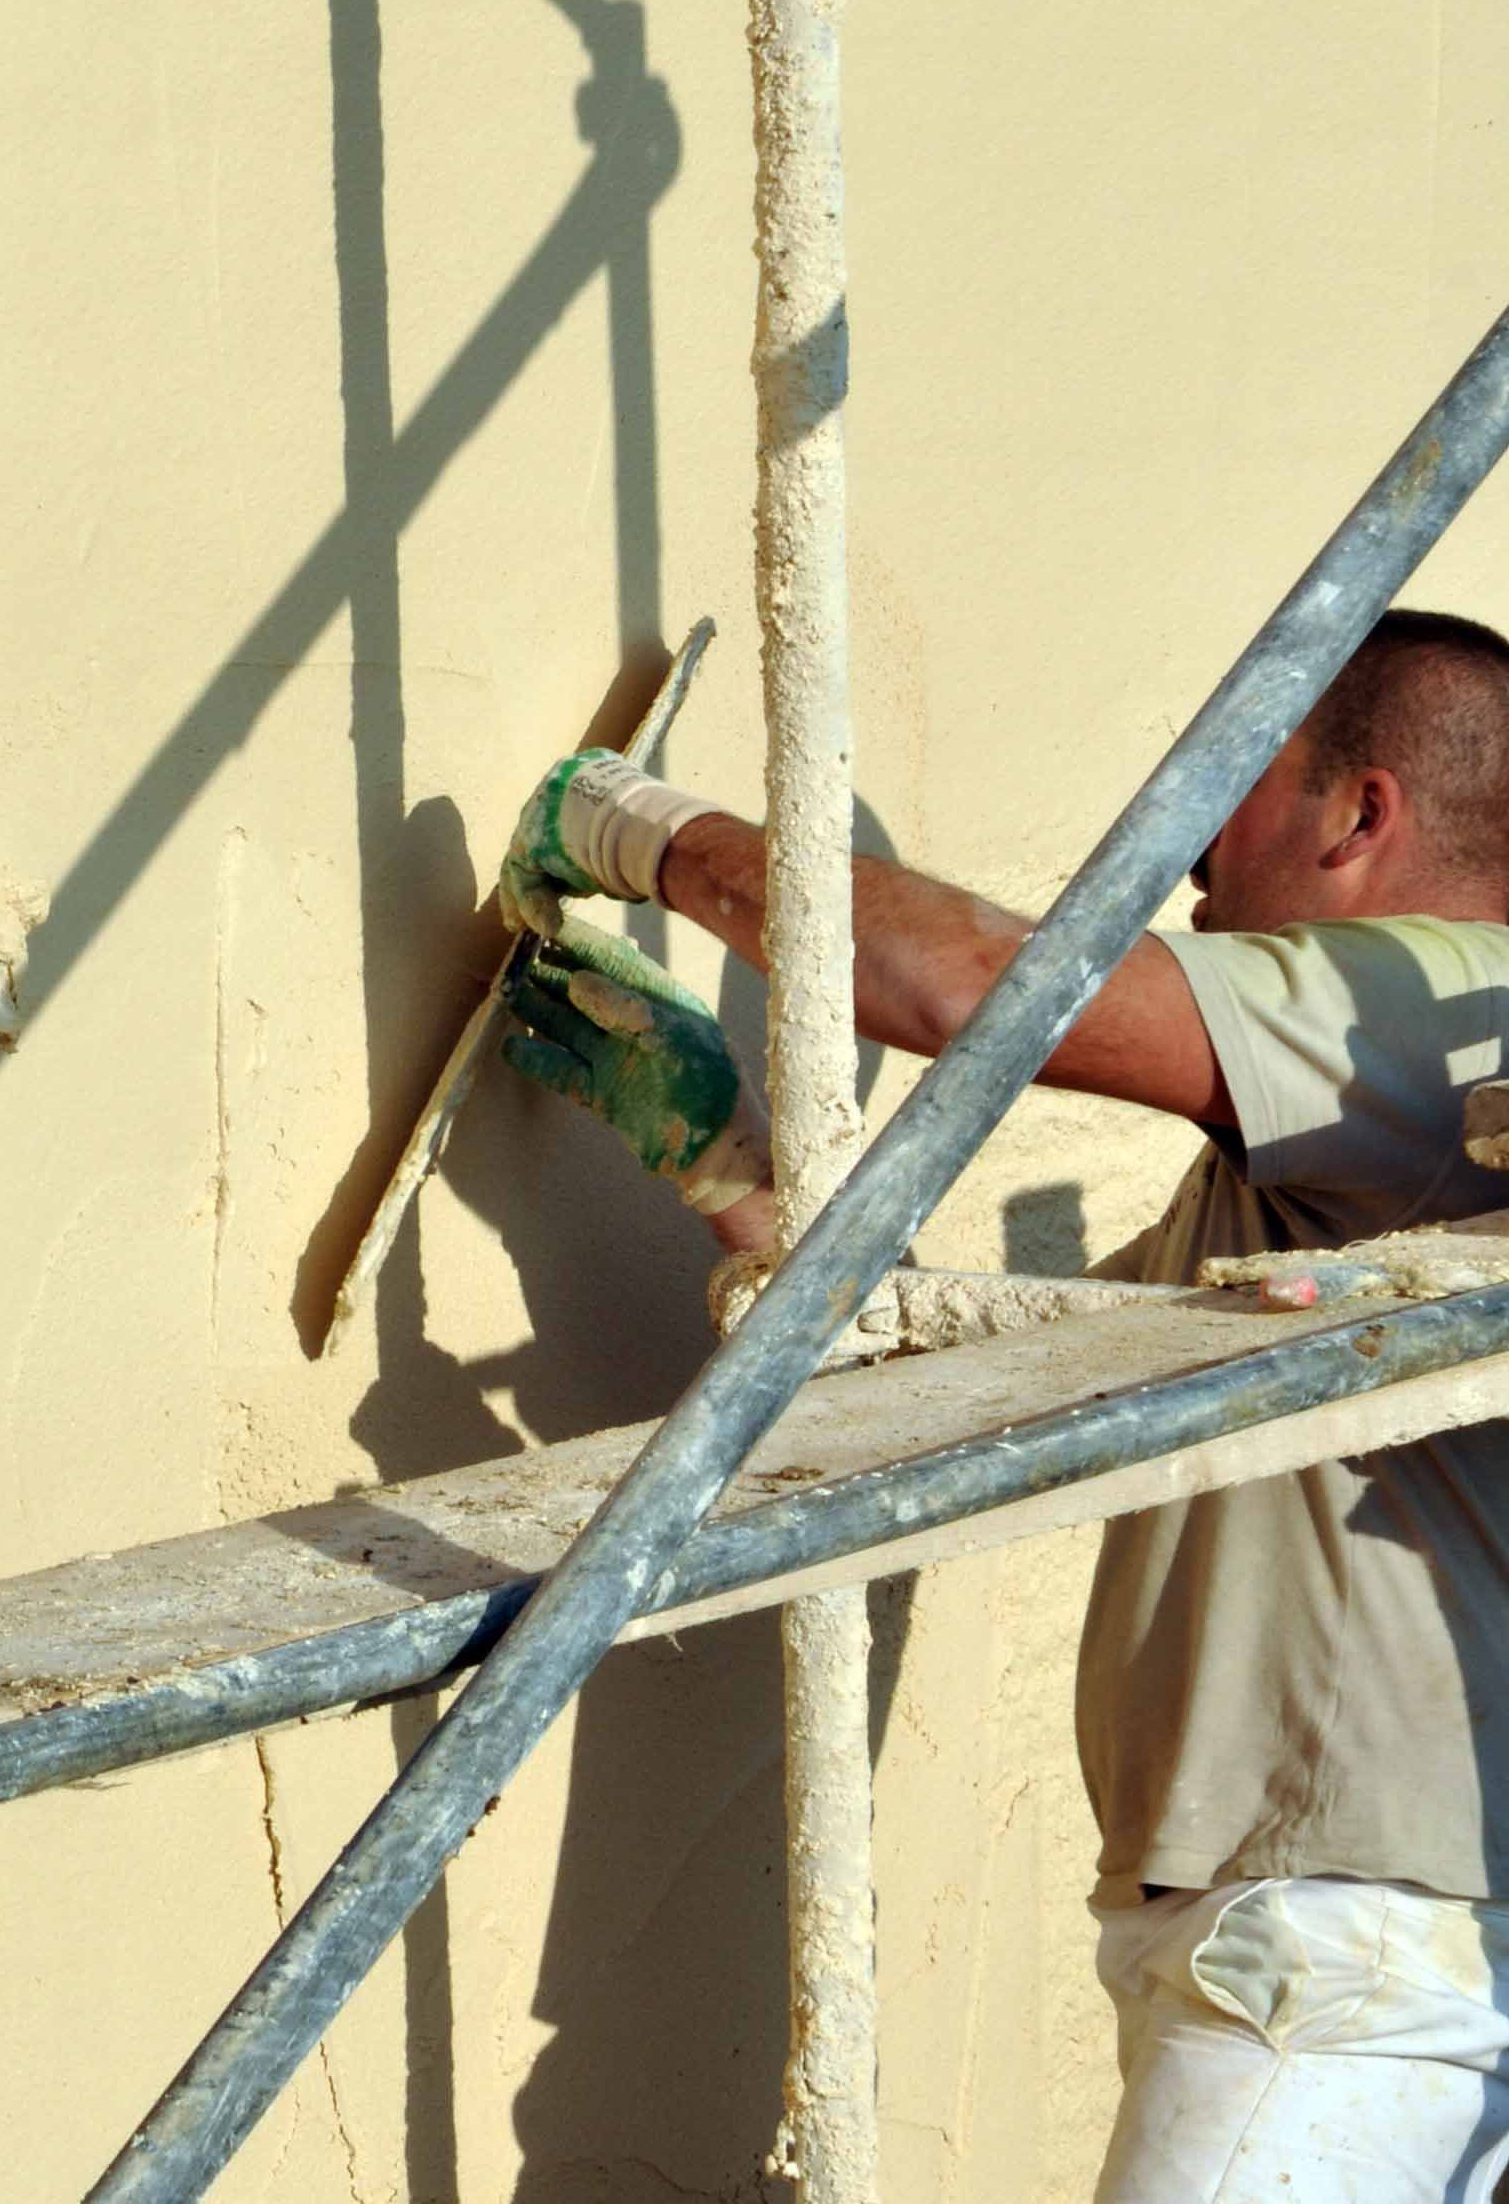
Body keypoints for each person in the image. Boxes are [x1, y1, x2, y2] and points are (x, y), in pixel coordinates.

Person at [498, 607, 1509, 2204]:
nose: (1189, 867)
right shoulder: (1310, 1209)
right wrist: (724, 1165)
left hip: (1346, 1960)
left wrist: (639, 831)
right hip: (1315, 1943)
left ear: (1359, 817)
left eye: (1237, 792)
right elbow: (968, 1388)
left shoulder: (1462, 1004)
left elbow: (969, 985)